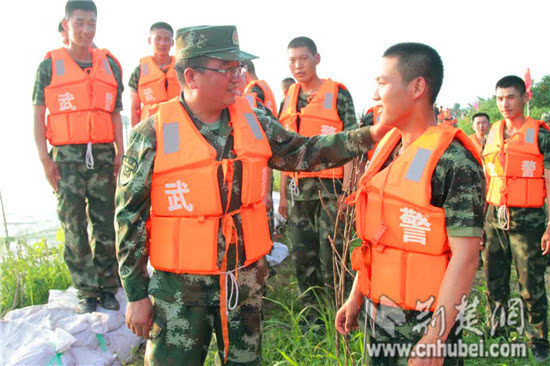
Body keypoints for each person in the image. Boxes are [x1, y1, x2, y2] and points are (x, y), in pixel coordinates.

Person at [115, 25, 387, 365]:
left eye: (239, 69)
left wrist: (370, 135)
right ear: (192, 76)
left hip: (243, 281)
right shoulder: (151, 134)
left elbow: (304, 152)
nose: (237, 78)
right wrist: (136, 295)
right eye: (226, 69)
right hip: (179, 290)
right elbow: (129, 218)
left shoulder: (256, 120)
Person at [336, 42, 485, 365]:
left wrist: (435, 338)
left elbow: (466, 258)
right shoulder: (388, 150)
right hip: (380, 320)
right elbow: (379, 239)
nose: (375, 95)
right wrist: (356, 297)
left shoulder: (454, 161)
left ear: (417, 87)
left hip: (425, 327)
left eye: (383, 82)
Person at [33, 0, 124, 313]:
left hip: (101, 153)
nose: (86, 30)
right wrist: (45, 159)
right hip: (66, 156)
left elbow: (114, 113)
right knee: (73, 223)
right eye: (80, 22)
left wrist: (120, 152)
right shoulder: (49, 66)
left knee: (105, 223)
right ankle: (86, 290)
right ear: (66, 24)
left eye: (92, 23)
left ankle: (109, 286)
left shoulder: (109, 65)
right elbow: (37, 114)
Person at [278, 36, 358, 308]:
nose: (297, 65)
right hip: (299, 193)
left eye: (303, 58)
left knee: (333, 258)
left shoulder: (338, 93)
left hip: (332, 191)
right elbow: (284, 152)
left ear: (316, 59)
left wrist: (349, 191)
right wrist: (284, 198)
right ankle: (312, 322)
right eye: (292, 60)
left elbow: (351, 144)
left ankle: (341, 317)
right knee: (303, 258)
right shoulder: (288, 99)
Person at [482, 75, 550, 362]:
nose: (504, 103)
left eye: (510, 97)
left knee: (530, 282)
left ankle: (537, 338)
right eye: (499, 98)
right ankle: (496, 328)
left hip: (529, 219)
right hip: (494, 216)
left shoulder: (541, 134)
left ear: (524, 98)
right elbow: (487, 176)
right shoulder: (492, 132)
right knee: (493, 277)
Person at [128, 22, 179, 127]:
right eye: (158, 39)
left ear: (172, 42)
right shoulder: (139, 71)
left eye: (167, 39)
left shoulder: (182, 68)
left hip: (175, 124)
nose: (162, 43)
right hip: (150, 127)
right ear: (150, 40)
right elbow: (134, 108)